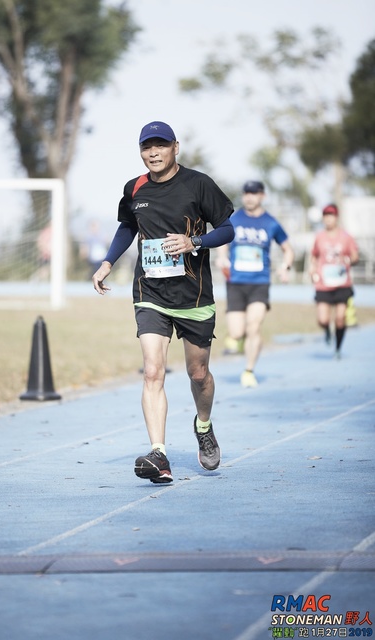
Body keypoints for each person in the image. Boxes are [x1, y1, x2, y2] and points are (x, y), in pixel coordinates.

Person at [92, 121, 235, 484]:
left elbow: (227, 228)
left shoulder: (198, 183)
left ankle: (203, 426)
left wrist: (195, 243)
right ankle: (159, 453)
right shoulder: (134, 188)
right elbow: (128, 226)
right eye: (146, 147)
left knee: (198, 374)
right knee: (153, 370)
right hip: (150, 294)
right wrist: (108, 262)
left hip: (194, 295)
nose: (153, 153)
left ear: (175, 147)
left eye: (160, 146)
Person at [216, 180, 294, 388]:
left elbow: (288, 250)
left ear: (262, 196)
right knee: (236, 331)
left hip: (260, 283)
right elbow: (223, 241)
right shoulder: (233, 219)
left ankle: (249, 370)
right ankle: (237, 338)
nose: (249, 197)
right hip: (235, 283)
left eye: (254, 193)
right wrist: (222, 257)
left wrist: (285, 267)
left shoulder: (271, 223)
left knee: (254, 326)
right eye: (246, 193)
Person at [309, 203, 359, 358]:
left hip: (342, 283)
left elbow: (355, 256)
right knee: (323, 319)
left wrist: (349, 260)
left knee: (339, 319)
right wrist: (312, 269)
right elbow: (314, 256)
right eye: (325, 216)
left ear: (336, 217)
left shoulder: (346, 237)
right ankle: (326, 331)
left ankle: (338, 347)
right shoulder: (319, 237)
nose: (328, 219)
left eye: (331, 216)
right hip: (324, 284)